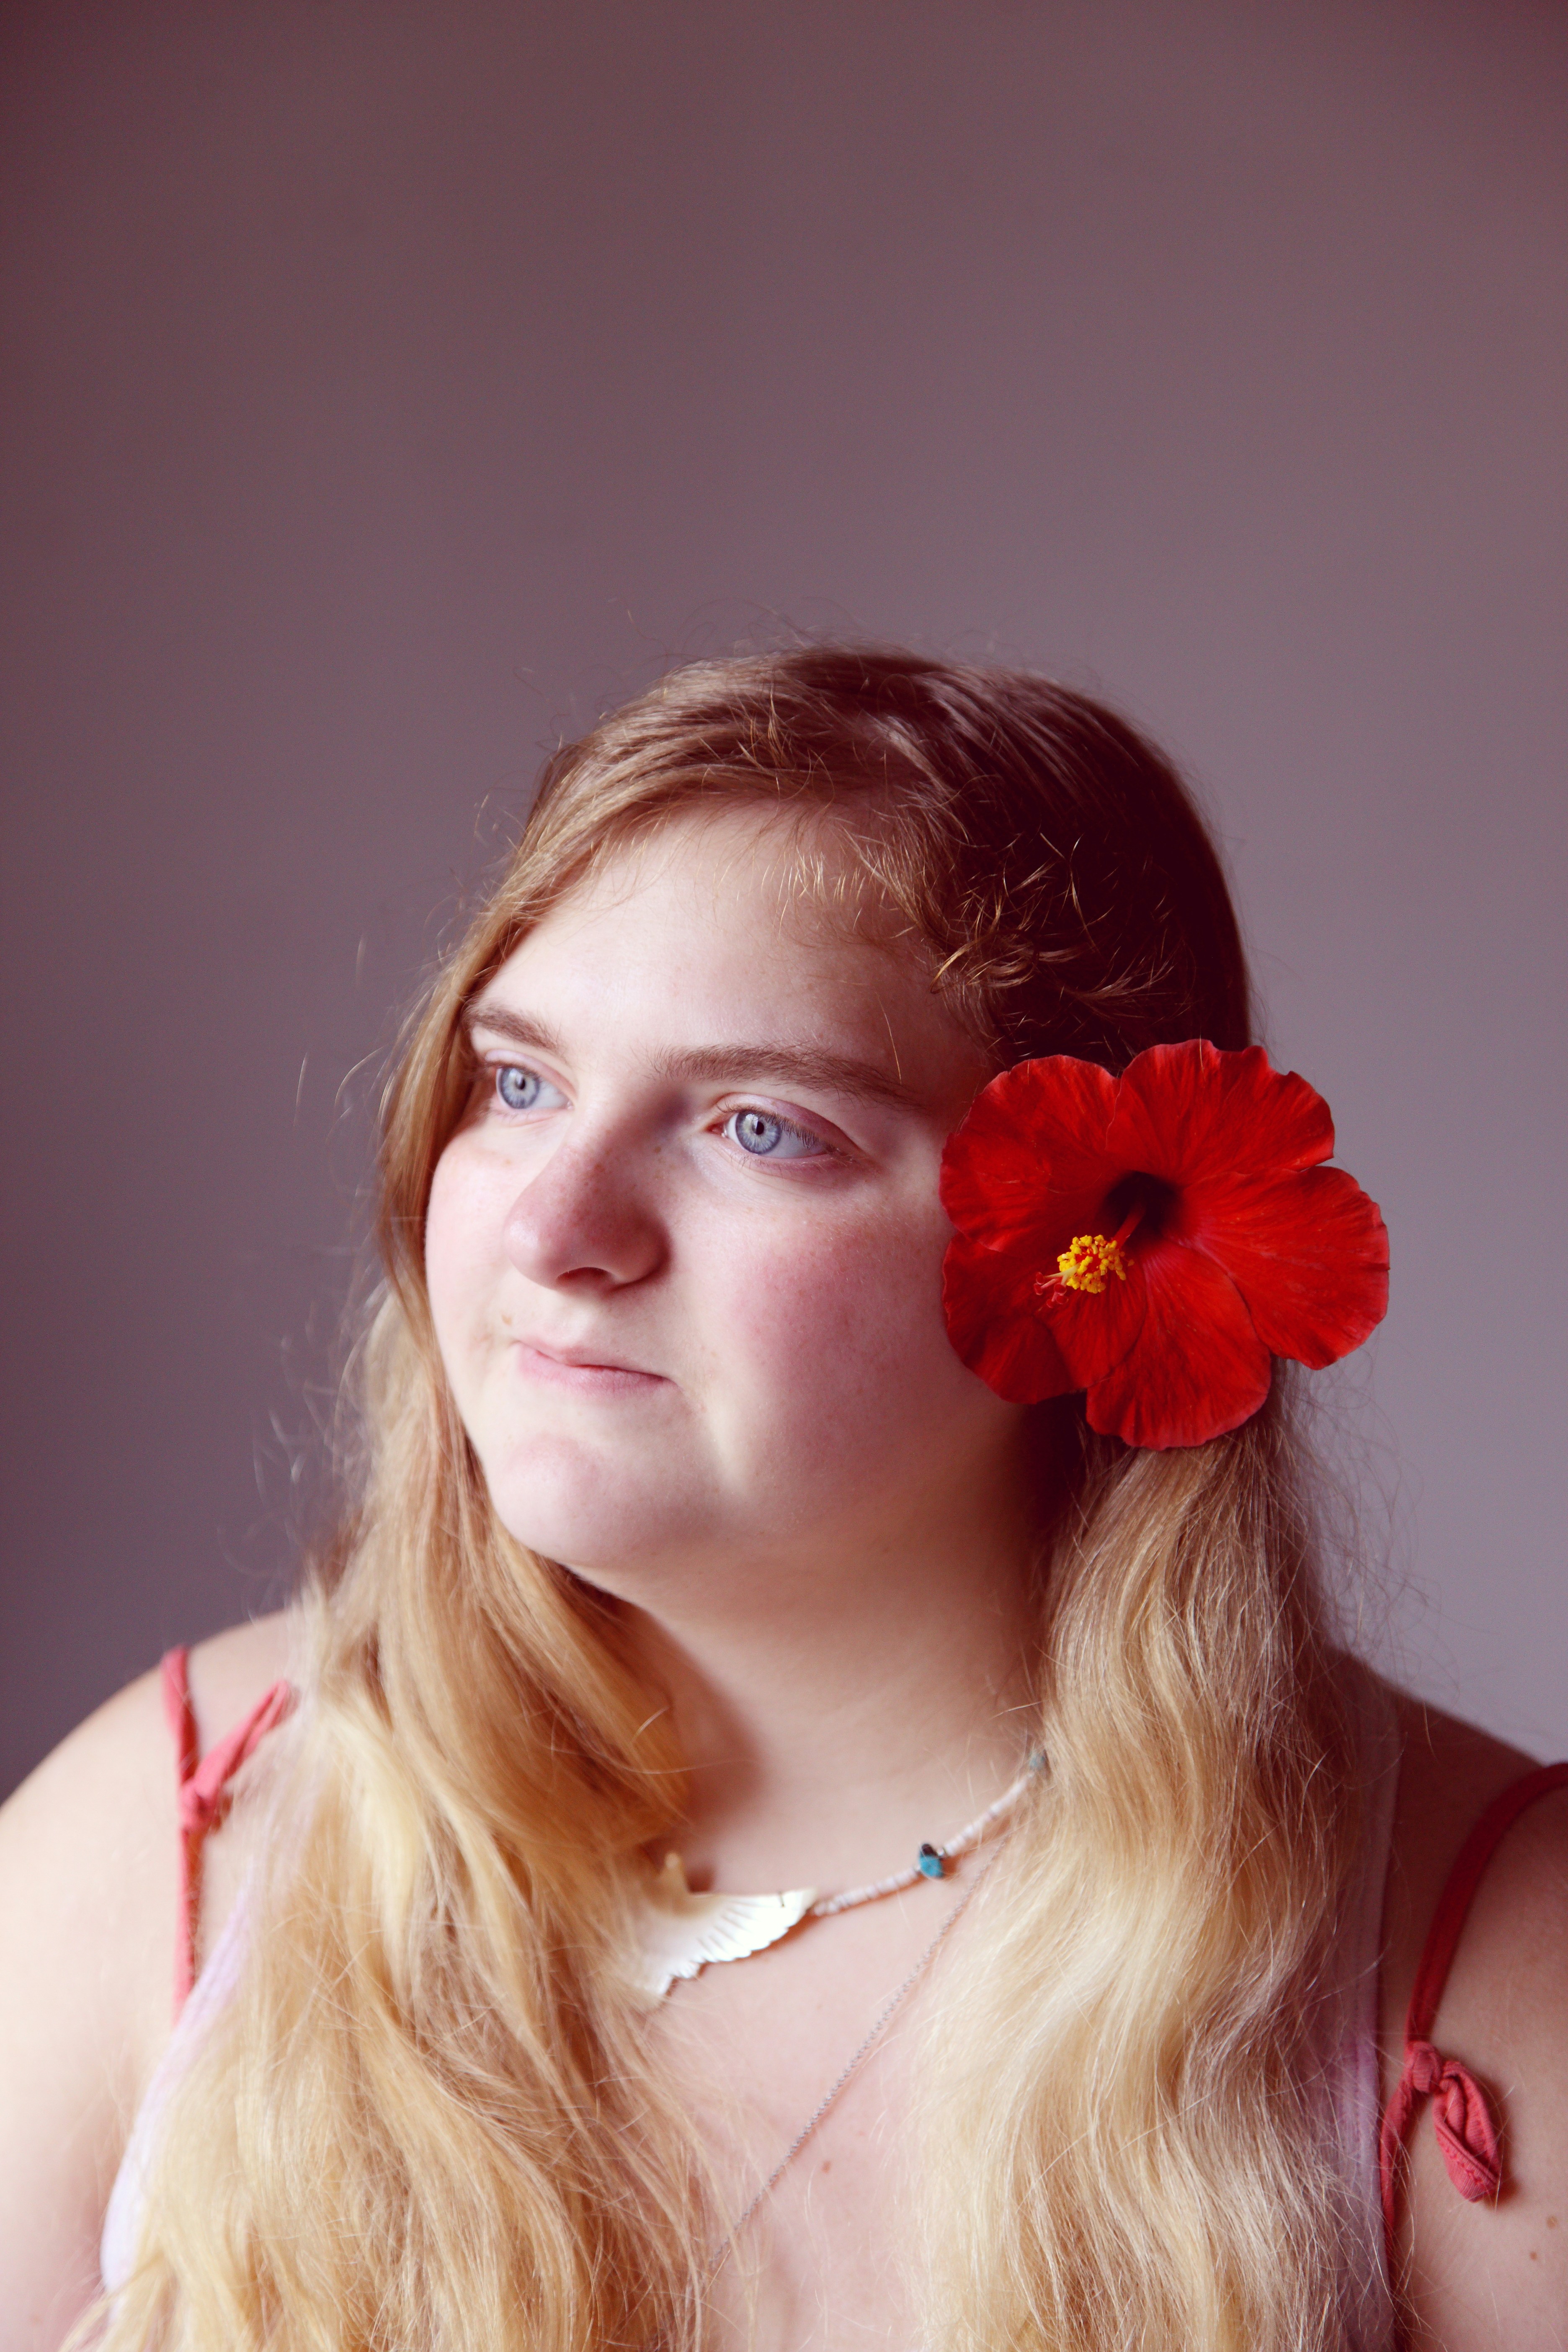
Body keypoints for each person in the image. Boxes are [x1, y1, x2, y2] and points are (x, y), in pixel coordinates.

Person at [1, 649, 1563, 2352]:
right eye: (520, 1084)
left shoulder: (1487, 1976)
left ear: (1089, 1260)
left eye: (761, 1127)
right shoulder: (167, 1843)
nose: (551, 1228)